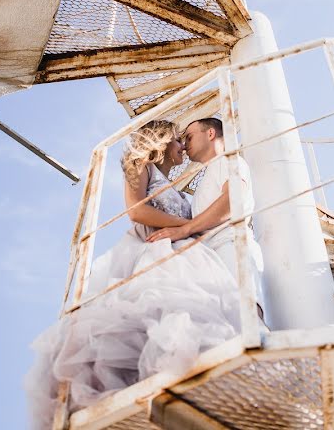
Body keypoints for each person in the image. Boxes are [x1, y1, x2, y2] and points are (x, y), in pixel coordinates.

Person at [24, 121, 241, 429]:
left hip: (184, 253)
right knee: (144, 319)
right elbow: (137, 211)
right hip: (154, 251)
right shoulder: (139, 165)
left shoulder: (175, 188)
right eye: (178, 140)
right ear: (162, 141)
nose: (182, 145)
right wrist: (184, 228)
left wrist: (187, 230)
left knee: (190, 320)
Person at [146, 118, 265, 320]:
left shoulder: (227, 160)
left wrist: (185, 229)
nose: (184, 145)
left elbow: (233, 198)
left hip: (231, 245)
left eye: (189, 137)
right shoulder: (211, 173)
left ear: (210, 134)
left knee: (248, 317)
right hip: (212, 256)